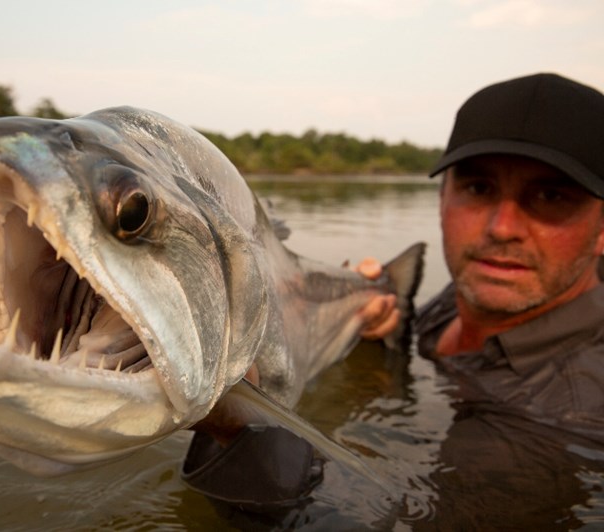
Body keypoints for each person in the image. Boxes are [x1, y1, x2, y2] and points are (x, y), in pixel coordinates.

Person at [181, 72, 604, 526]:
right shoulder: (470, 295)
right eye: (478, 188)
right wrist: (383, 333)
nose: (502, 227)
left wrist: (243, 428)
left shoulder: (571, 411)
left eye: (550, 196)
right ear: (442, 198)